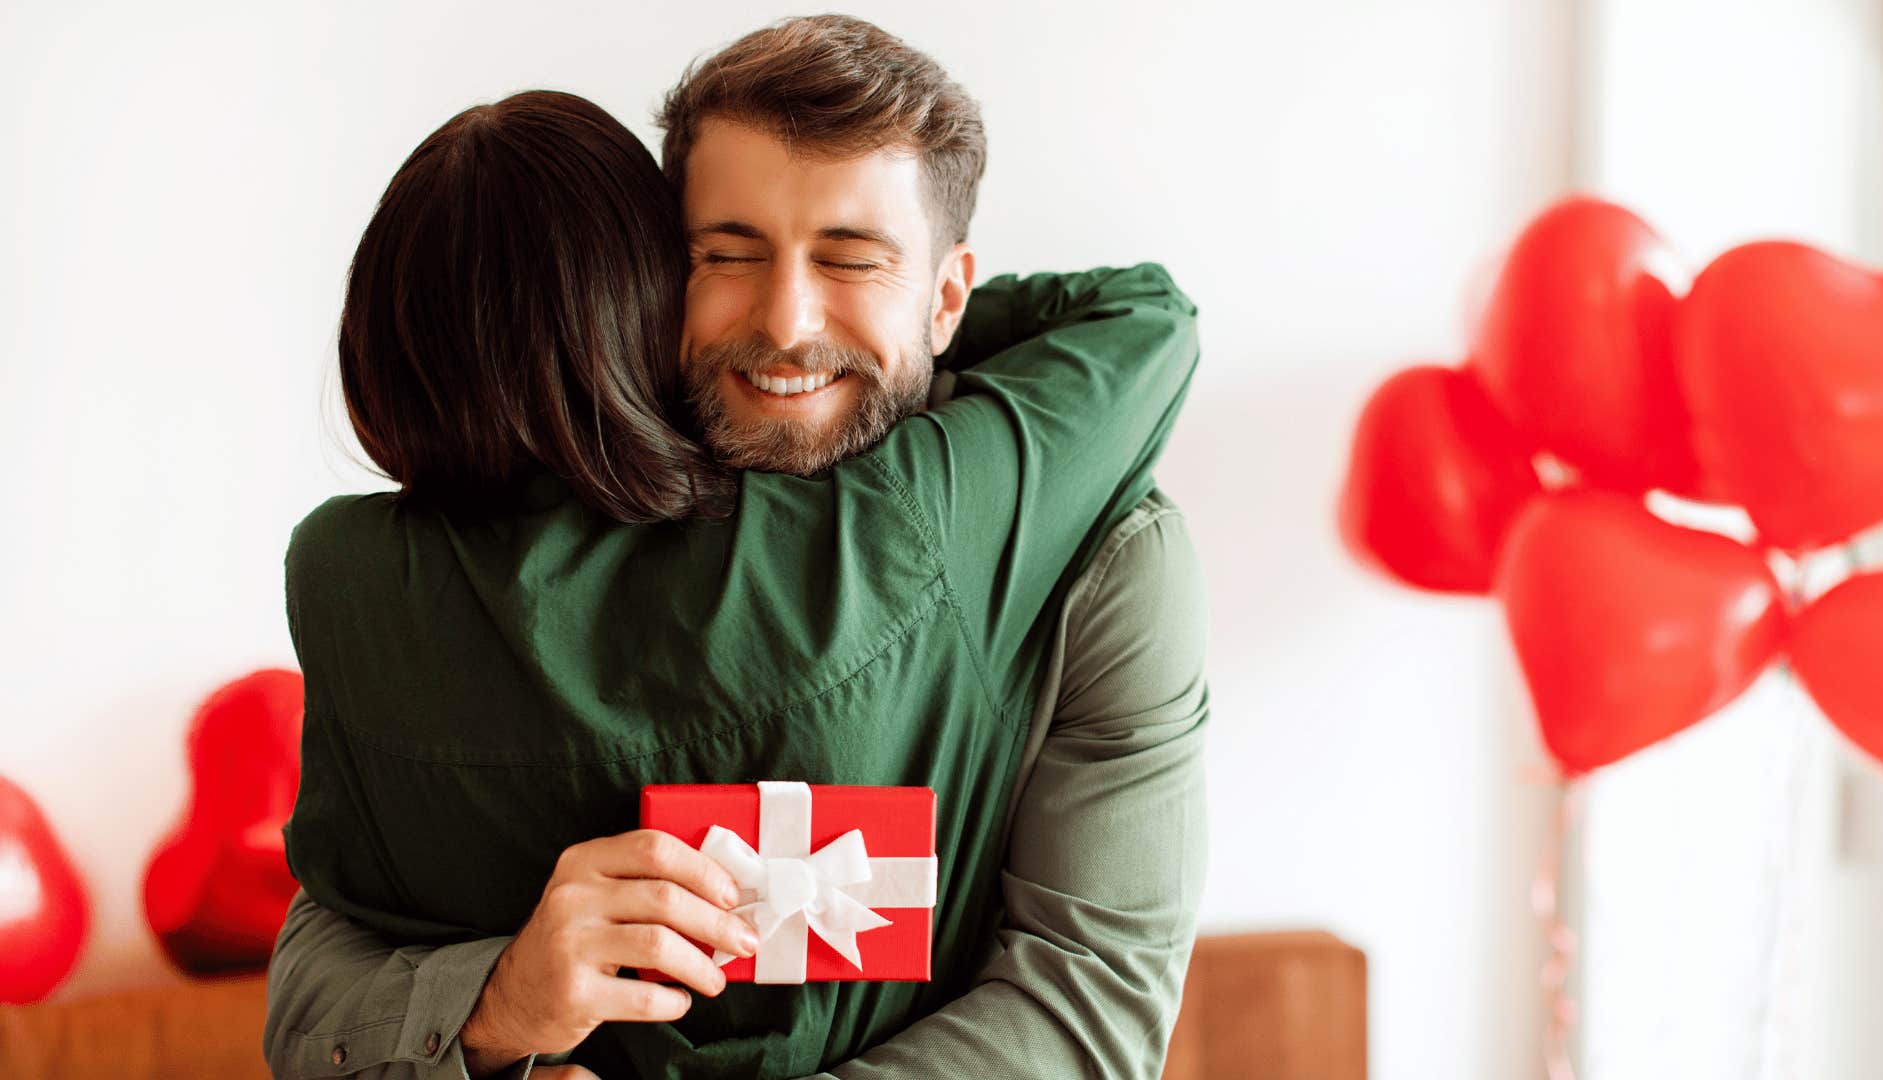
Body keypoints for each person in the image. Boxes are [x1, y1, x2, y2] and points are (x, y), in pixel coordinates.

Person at [264, 16, 1206, 1080]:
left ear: (950, 295)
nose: (787, 320)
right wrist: (496, 1001)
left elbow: (1086, 1007)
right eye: (728, 254)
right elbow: (331, 948)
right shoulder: (508, 551)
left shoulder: (1106, 552)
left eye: (854, 260)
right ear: (654, 273)